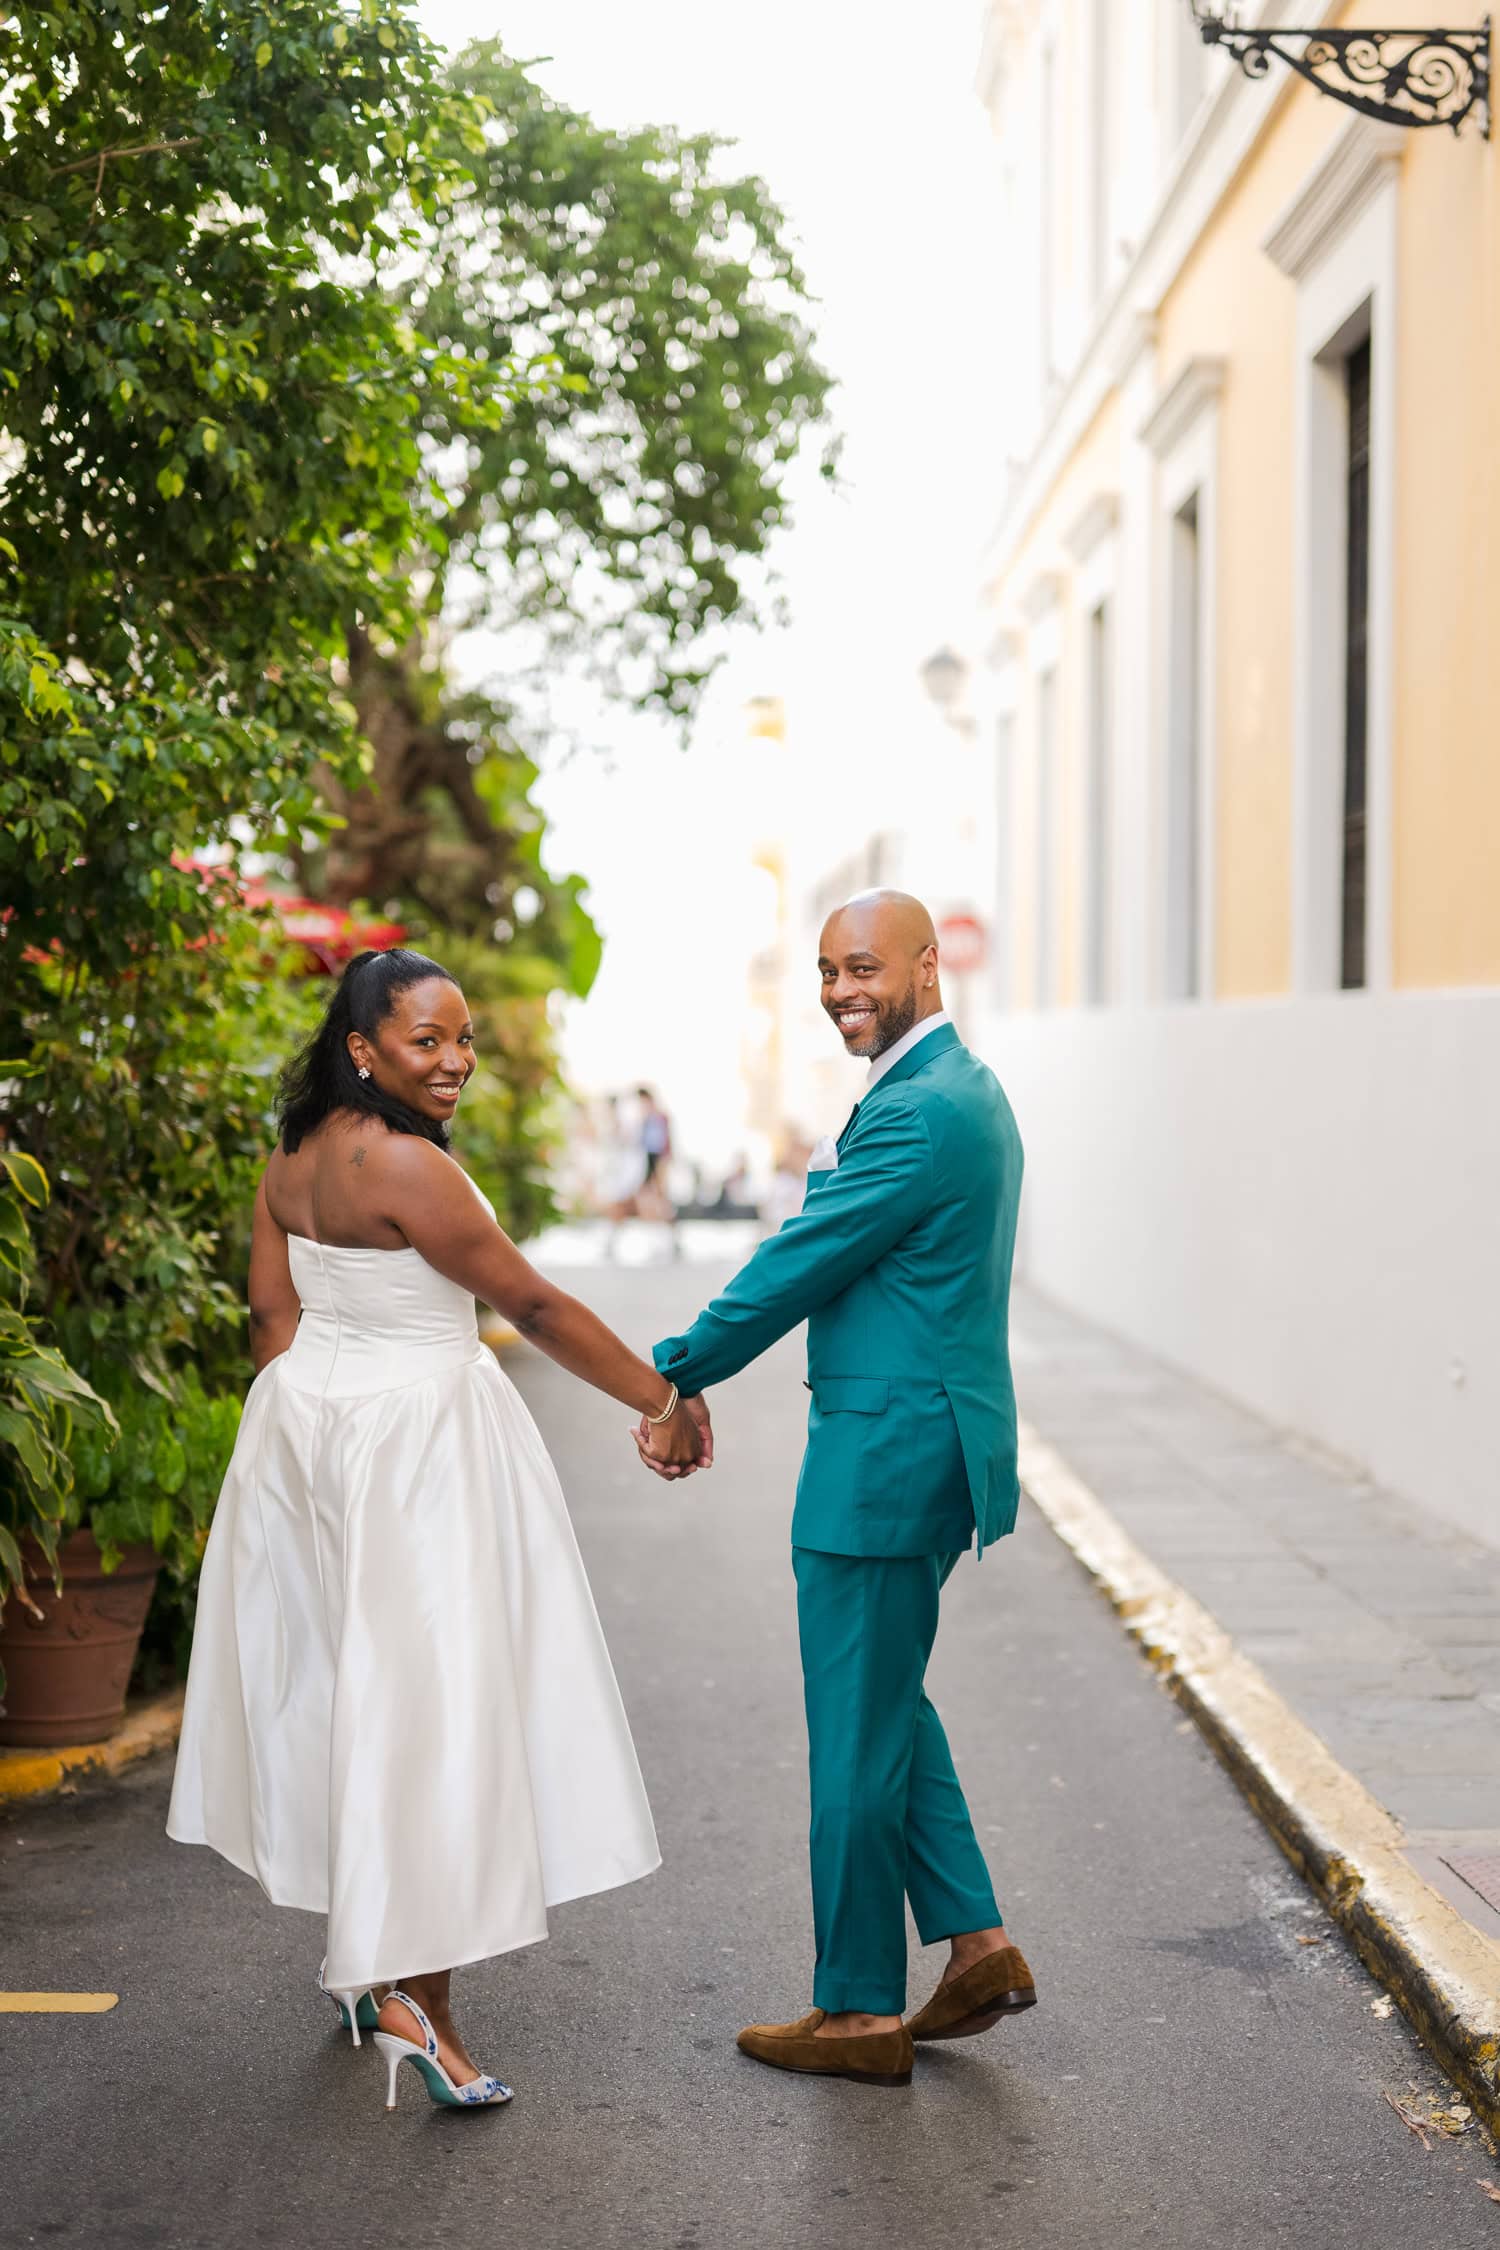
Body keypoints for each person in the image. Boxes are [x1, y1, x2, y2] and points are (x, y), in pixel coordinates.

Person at [168, 949, 711, 2111]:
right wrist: (664, 1400)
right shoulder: (408, 1168)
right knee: (436, 1720)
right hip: (420, 1453)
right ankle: (423, 2006)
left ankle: (368, 1968)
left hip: (310, 1438)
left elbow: (273, 1315)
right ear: (364, 1049)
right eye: (428, 1040)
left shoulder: (294, 1153)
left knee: (351, 1703)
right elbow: (535, 1305)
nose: (456, 1059)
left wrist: (314, 1430)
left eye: (463, 1038)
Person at [639, 891, 1033, 2088]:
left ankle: (858, 2009)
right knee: (886, 1703)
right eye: (824, 969)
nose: (839, 988)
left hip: (885, 1453)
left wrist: (672, 1371)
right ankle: (978, 1944)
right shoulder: (945, 1092)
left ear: (927, 966)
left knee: (855, 1728)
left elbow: (802, 1259)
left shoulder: (918, 1113)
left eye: (863, 966)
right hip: (915, 1437)